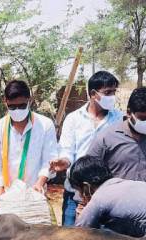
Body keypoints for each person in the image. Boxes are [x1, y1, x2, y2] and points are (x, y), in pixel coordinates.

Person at [53, 71, 124, 226]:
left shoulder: (119, 119)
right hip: (76, 192)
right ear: (93, 93)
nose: (112, 96)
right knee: (70, 239)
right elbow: (67, 149)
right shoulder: (73, 119)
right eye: (107, 92)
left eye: (114, 92)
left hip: (106, 194)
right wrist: (64, 161)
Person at [85, 86, 146, 192]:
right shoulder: (106, 138)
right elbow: (87, 171)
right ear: (129, 112)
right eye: (143, 118)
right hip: (115, 204)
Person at [0, 80, 59, 196]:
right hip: (6, 193)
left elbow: (49, 159)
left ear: (29, 100)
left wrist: (39, 184)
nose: (17, 110)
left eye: (21, 106)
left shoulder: (45, 125)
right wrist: (1, 196)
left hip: (35, 192)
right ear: (5, 102)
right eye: (12, 106)